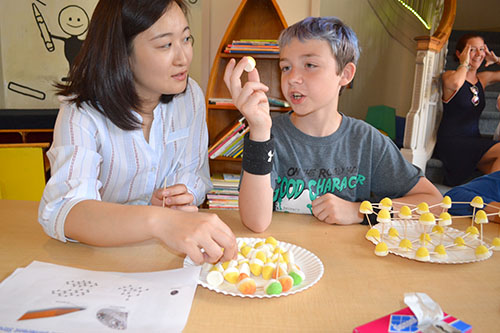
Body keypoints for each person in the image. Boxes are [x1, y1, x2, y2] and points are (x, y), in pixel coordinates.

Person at [38, 0, 237, 264]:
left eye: (186, 39)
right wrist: (159, 221)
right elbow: (65, 211)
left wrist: (183, 196)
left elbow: (195, 175)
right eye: (165, 45)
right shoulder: (82, 112)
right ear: (122, 53)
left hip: (160, 260)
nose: (183, 57)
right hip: (97, 261)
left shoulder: (190, 97)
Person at [224, 16, 443, 232]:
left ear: (345, 74)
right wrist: (260, 132)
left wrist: (360, 212)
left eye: (310, 65)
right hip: (287, 260)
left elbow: (434, 203)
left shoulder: (367, 141)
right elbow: (255, 222)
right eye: (286, 67)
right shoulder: (269, 136)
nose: (292, 78)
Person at [434, 33, 500, 186]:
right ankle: (488, 197)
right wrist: (464, 63)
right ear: (459, 53)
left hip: (473, 142)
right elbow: (456, 84)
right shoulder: (449, 76)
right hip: (452, 143)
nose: (478, 54)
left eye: (482, 49)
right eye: (472, 49)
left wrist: (496, 60)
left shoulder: (482, 79)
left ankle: (489, 201)